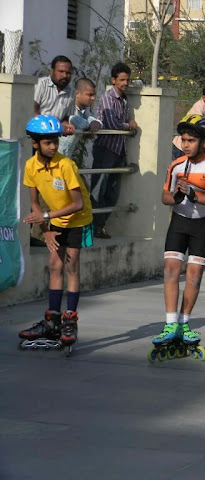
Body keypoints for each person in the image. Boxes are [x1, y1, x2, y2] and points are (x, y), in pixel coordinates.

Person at [152, 114, 205, 350]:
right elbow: (164, 195)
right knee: (170, 272)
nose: (186, 144)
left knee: (194, 276)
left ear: (204, 142)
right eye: (183, 140)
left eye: (191, 141)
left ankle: (184, 323)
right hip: (179, 222)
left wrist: (198, 197)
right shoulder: (176, 165)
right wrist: (174, 196)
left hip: (201, 226)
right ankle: (170, 323)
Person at [18, 115, 93, 351]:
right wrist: (46, 232)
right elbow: (35, 203)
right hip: (55, 219)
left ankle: (70, 319)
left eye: (55, 142)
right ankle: (52, 320)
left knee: (71, 266)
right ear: (35, 144)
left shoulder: (66, 165)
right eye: (48, 142)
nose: (53, 146)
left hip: (77, 218)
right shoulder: (31, 167)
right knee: (54, 265)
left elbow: (78, 203)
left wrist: (47, 218)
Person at [91, 62, 138, 239]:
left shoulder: (124, 100)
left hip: (119, 151)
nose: (126, 83)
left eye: (128, 80)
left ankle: (99, 225)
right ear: (114, 80)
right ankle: (93, 226)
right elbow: (112, 124)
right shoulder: (108, 98)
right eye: (122, 79)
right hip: (106, 150)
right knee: (99, 190)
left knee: (113, 193)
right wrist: (129, 125)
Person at [171, 84, 205, 160]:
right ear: (204, 98)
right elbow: (199, 125)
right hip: (181, 147)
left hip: (193, 147)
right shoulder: (199, 106)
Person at [58, 78, 102, 160]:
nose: (93, 98)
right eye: (89, 95)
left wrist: (94, 123)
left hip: (65, 158)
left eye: (94, 95)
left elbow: (94, 121)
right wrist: (90, 127)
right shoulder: (68, 106)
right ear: (77, 93)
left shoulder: (85, 110)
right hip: (54, 156)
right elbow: (81, 123)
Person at [33, 55, 76, 136]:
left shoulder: (72, 92)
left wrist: (66, 126)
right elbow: (33, 111)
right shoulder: (41, 84)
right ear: (52, 71)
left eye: (68, 73)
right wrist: (48, 127)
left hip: (54, 136)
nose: (64, 75)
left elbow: (65, 119)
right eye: (61, 71)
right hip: (37, 132)